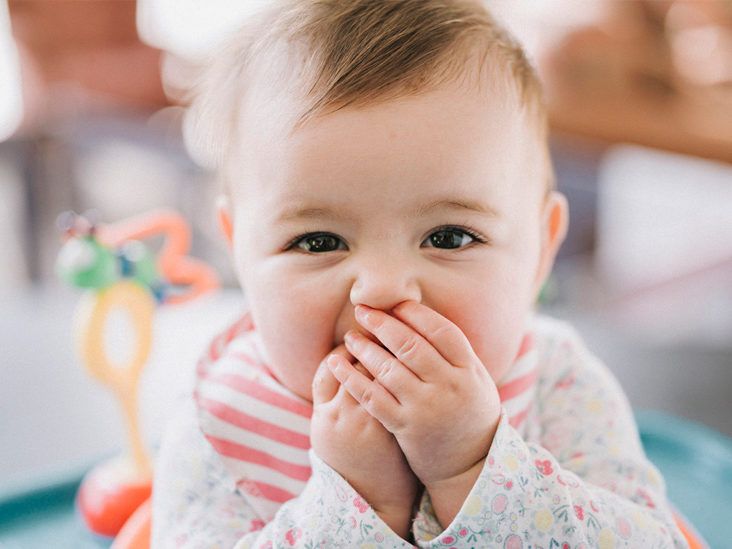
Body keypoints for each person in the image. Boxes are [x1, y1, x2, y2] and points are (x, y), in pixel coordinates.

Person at [152, 1, 688, 547]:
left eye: (449, 237)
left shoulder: (558, 384)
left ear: (541, 250)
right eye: (319, 242)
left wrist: (474, 469)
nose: (382, 288)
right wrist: (357, 504)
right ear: (239, 250)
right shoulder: (219, 422)